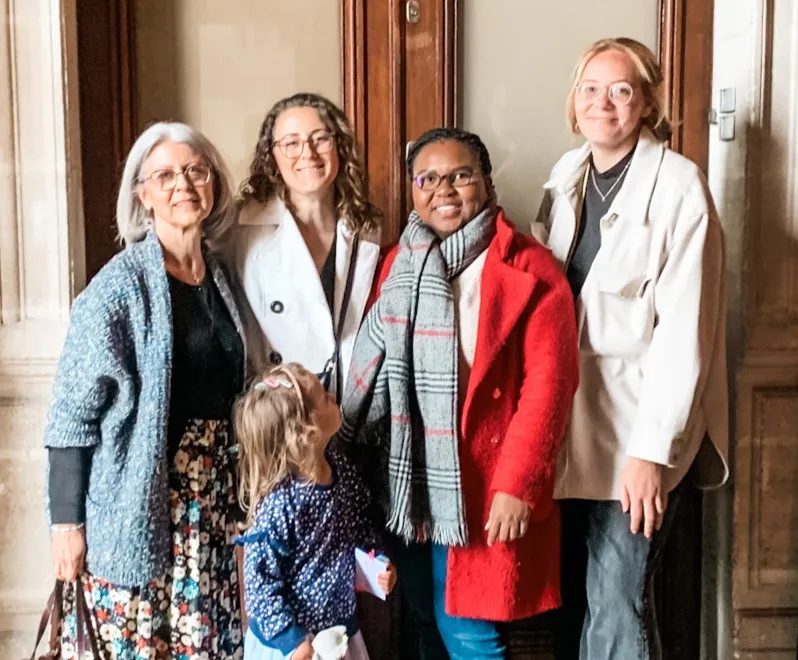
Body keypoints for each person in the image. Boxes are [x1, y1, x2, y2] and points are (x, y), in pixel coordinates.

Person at [339, 127, 580, 659]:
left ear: (486, 183)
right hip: (406, 481)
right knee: (426, 621)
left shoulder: (531, 269)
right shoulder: (398, 264)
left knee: (470, 635)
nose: (443, 189)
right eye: (428, 178)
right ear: (412, 189)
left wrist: (519, 484)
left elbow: (550, 387)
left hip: (483, 487)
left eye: (461, 175)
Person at [531, 37, 729, 660]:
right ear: (574, 101)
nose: (603, 103)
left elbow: (684, 335)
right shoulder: (565, 177)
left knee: (620, 602)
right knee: (578, 603)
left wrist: (649, 454)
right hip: (573, 426)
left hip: (639, 434)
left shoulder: (679, 187)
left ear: (646, 103)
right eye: (591, 89)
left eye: (621, 90)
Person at [44, 121, 245, 659]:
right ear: (143, 194)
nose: (183, 183)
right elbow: (70, 416)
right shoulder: (118, 288)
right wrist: (66, 525)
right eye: (165, 174)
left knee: (206, 642)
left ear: (213, 185)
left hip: (214, 506)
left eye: (195, 171)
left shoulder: (221, 276)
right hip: (140, 501)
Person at [234, 363, 397, 660]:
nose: (334, 396)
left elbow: (358, 525)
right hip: (293, 647)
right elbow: (260, 589)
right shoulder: (279, 505)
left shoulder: (342, 471)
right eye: (324, 398)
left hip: (338, 635)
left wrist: (377, 562)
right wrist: (293, 642)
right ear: (304, 432)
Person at [227, 93, 381, 397]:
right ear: (272, 156)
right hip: (278, 415)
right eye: (291, 143)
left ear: (339, 147)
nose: (307, 153)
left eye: (320, 139)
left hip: (348, 412)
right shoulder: (241, 232)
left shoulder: (367, 229)